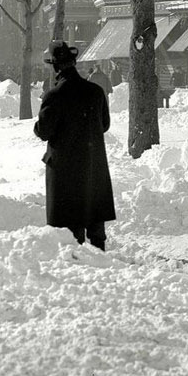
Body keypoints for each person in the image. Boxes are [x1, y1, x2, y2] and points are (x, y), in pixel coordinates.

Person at [33, 41, 116, 251]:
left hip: (64, 168)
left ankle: (75, 263)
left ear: (55, 66)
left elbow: (43, 132)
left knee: (70, 224)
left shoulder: (54, 95)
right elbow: (104, 125)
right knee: (94, 212)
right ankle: (101, 257)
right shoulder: (95, 92)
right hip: (92, 162)